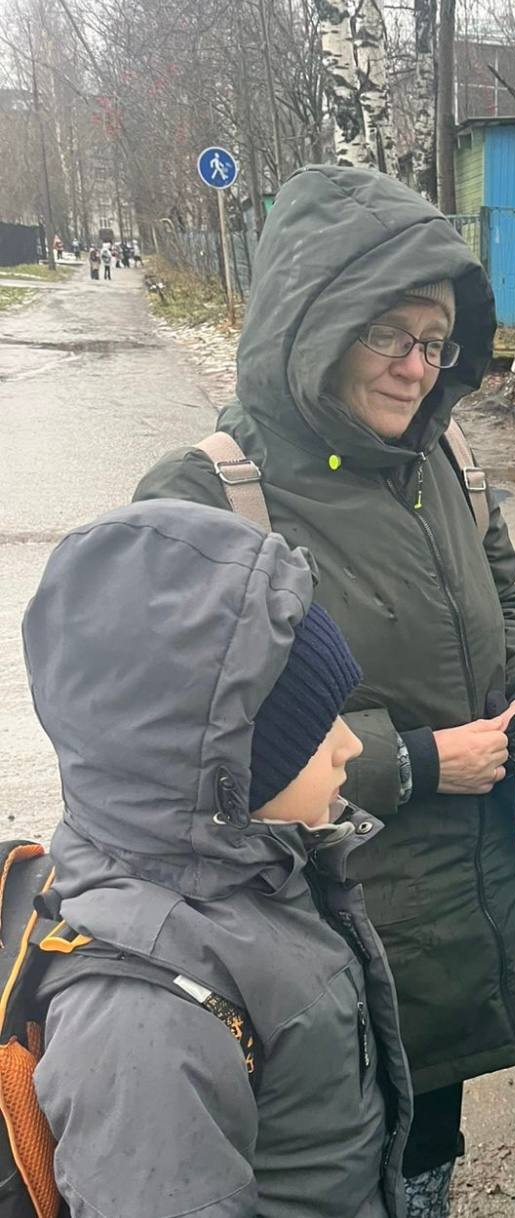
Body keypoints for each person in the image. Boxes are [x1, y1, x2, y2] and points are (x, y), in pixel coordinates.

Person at [134, 165, 515, 1216]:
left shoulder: (446, 457)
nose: (418, 368)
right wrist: (416, 762)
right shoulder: (208, 492)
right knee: (324, 1175)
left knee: (427, 1160)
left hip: (461, 920)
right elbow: (180, 747)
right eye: (390, 334)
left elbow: (503, 590)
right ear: (315, 320)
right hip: (312, 943)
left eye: (435, 341)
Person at [23, 498, 412, 1218]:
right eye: (312, 731)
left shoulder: (250, 866)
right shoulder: (144, 1021)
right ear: (224, 773)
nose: (350, 746)